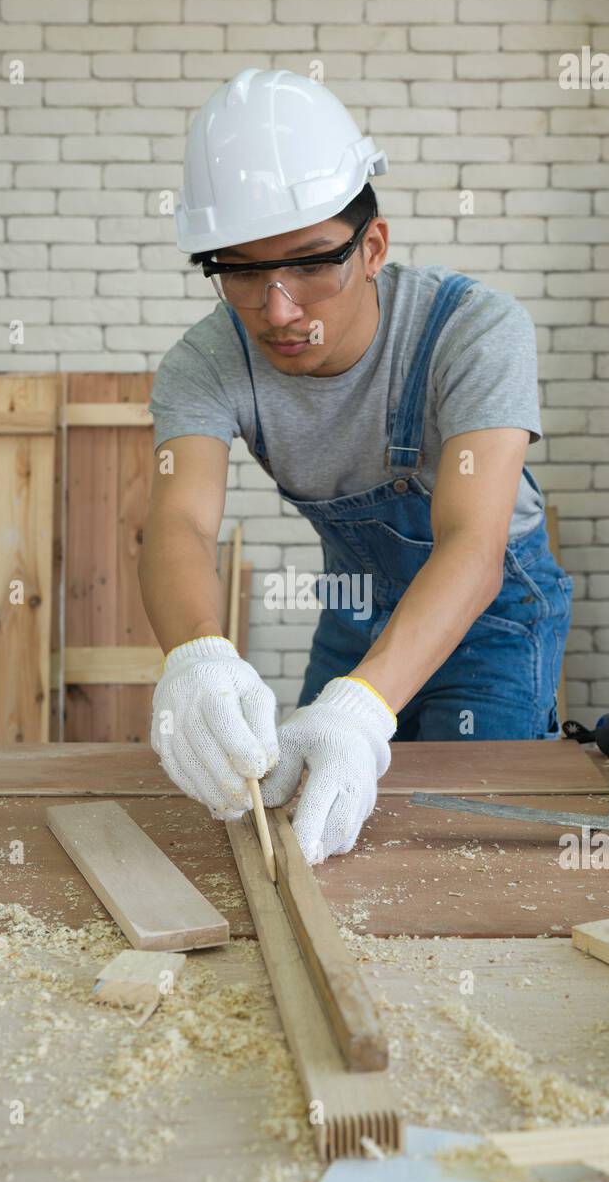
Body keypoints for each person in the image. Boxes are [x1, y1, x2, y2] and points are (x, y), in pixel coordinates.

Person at [140, 68, 572, 865]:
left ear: (371, 247)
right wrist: (196, 658)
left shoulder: (472, 331)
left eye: (310, 264)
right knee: (312, 820)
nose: (279, 310)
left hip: (493, 622)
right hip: (353, 609)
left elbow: (473, 547)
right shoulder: (202, 363)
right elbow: (179, 521)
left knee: (463, 841)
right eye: (240, 270)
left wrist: (361, 711)